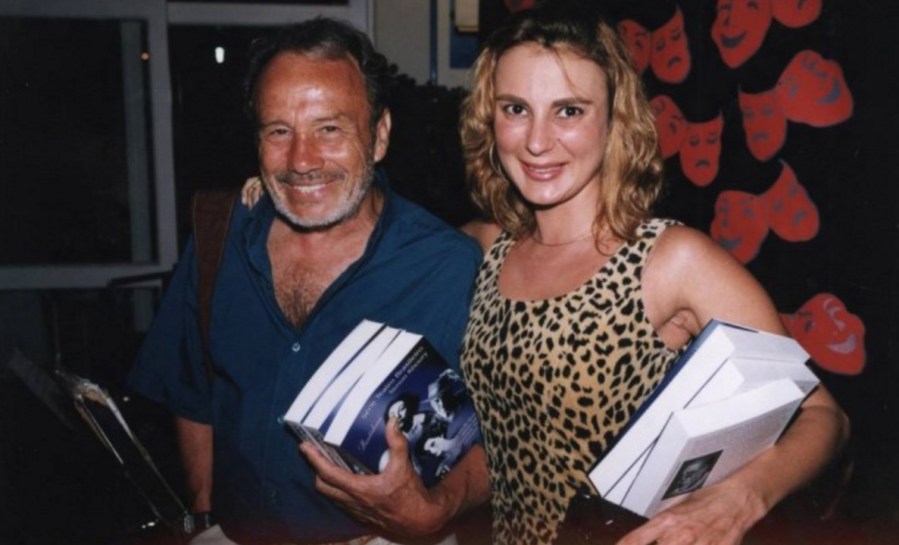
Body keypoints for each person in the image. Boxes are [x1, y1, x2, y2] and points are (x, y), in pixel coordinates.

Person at [457, 3, 849, 545]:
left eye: (569, 111)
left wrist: (740, 499)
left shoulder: (671, 260)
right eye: (516, 109)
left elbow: (825, 416)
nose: (537, 141)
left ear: (614, 118)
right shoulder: (484, 247)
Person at [127, 17, 489, 545]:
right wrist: (205, 514)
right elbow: (192, 395)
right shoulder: (219, 241)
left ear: (379, 135)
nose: (301, 161)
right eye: (279, 131)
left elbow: (502, 440)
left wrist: (436, 510)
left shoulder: (447, 267)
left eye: (329, 129)